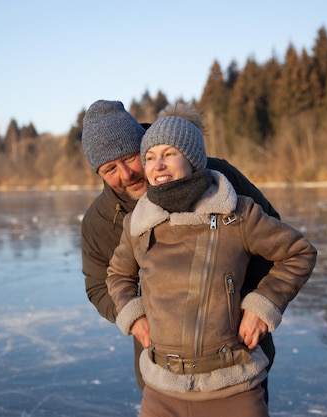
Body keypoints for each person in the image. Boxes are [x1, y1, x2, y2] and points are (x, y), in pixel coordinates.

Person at [105, 103, 317, 416]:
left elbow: (298, 252)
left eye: (169, 154)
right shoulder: (138, 223)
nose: (157, 165)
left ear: (192, 158)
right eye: (150, 157)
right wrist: (133, 315)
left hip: (233, 388)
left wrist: (262, 305)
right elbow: (116, 275)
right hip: (162, 392)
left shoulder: (237, 214)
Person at [80, 100, 280, 397]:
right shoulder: (100, 221)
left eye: (131, 157)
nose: (125, 174)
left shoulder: (218, 179)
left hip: (237, 358)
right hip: (163, 368)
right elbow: (98, 285)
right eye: (110, 168)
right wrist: (135, 316)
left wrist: (253, 303)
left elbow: (277, 245)